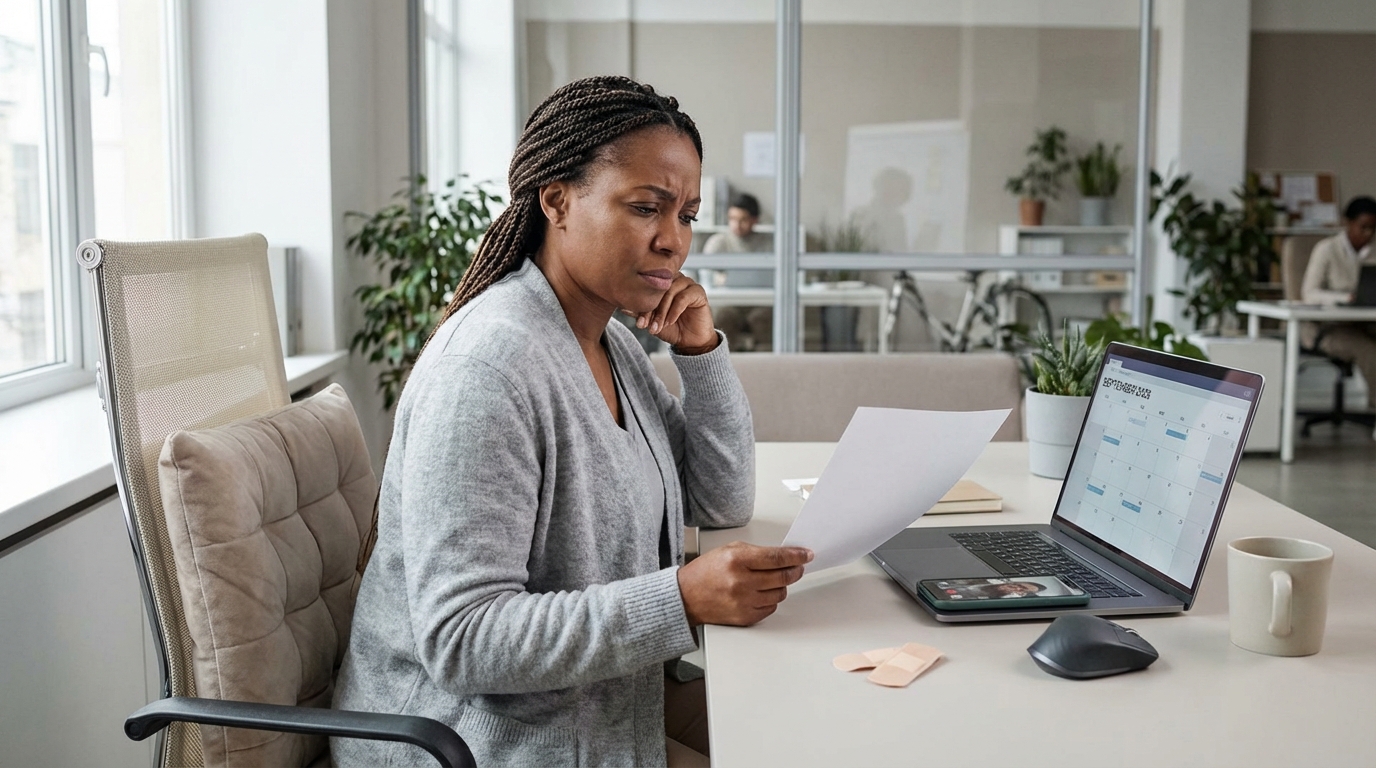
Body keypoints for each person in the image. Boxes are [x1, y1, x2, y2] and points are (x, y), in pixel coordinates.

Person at [332, 76, 813, 767]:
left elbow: (720, 498)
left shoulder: (610, 341)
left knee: (815, 731)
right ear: (557, 200)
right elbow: (461, 638)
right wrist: (678, 599)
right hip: (477, 740)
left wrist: (701, 353)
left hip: (592, 701)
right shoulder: (489, 369)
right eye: (648, 207)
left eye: (687, 216)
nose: (673, 241)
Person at [1301, 195, 1376, 436]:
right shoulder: (1327, 249)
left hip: (1364, 323)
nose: (1368, 234)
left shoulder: (1374, 251)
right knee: (1370, 352)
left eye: (1373, 229)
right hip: (1326, 327)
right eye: (1363, 227)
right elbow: (1309, 293)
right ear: (1348, 223)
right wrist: (1345, 299)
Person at [703, 194, 774, 351]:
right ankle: (724, 362)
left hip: (760, 302)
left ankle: (764, 364)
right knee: (723, 317)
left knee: (763, 319)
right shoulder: (719, 242)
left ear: (755, 220)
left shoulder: (768, 243)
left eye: (743, 219)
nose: (736, 224)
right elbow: (706, 276)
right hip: (729, 301)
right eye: (732, 218)